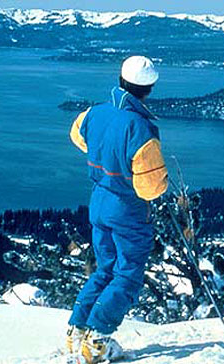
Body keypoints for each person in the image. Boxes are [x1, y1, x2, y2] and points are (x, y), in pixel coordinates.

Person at [67, 55, 168, 363]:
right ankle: (97, 339)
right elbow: (150, 187)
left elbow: (76, 136)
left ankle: (77, 329)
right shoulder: (140, 128)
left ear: (121, 80)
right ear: (148, 88)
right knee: (128, 274)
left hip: (98, 201)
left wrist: (106, 157)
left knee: (105, 268)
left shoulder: (94, 112)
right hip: (127, 210)